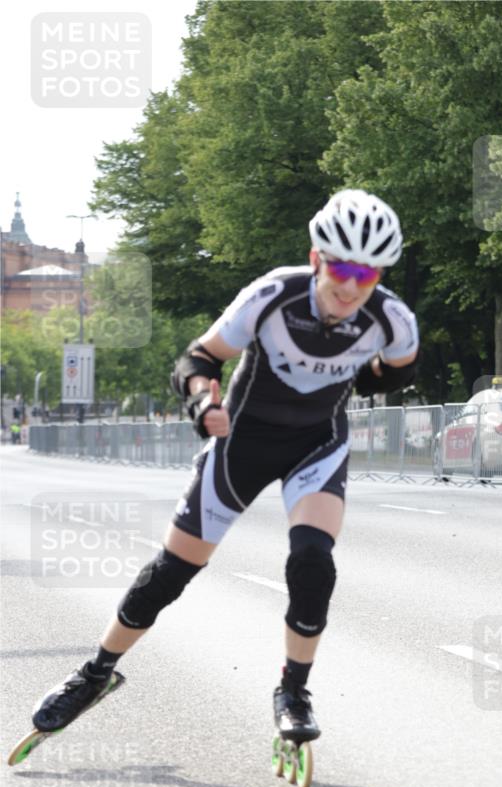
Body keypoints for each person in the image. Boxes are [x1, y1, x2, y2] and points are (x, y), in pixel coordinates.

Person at [30, 189, 419, 748]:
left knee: (312, 560)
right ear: (316, 259)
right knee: (169, 574)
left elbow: (398, 373)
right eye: (342, 266)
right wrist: (202, 404)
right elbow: (199, 358)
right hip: (242, 444)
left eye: (368, 272)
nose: (352, 284)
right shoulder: (272, 295)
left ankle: (293, 690)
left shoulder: (392, 320)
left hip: (316, 445)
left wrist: (360, 373)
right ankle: (93, 674)